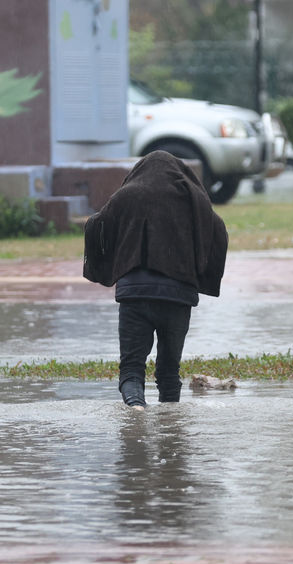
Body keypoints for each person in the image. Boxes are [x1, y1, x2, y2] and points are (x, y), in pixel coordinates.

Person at [83, 150, 228, 407]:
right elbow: (218, 230)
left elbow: (97, 225)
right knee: (169, 373)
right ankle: (170, 431)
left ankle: (136, 410)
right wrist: (201, 274)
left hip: (134, 295)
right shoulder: (193, 198)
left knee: (130, 370)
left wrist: (108, 261)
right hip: (178, 297)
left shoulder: (127, 195)